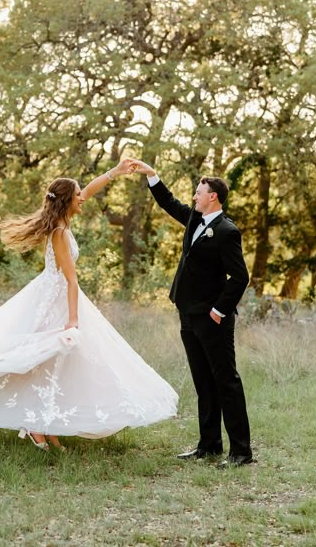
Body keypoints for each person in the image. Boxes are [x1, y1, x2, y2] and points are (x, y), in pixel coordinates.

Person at [0, 161, 178, 451]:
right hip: (54, 300)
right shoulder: (59, 233)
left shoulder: (64, 222)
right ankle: (36, 426)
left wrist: (115, 172)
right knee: (40, 361)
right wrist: (73, 320)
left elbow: (87, 192)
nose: (83, 198)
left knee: (56, 363)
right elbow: (71, 280)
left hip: (54, 294)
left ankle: (45, 424)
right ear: (68, 201)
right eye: (77, 195)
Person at [131, 161, 252, 468]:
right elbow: (169, 203)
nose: (195, 196)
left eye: (199, 192)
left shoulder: (227, 231)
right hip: (188, 314)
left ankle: (241, 451)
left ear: (213, 196)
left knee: (226, 381)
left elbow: (240, 278)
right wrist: (150, 174)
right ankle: (209, 445)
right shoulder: (195, 219)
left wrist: (218, 310)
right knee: (203, 382)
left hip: (213, 319)